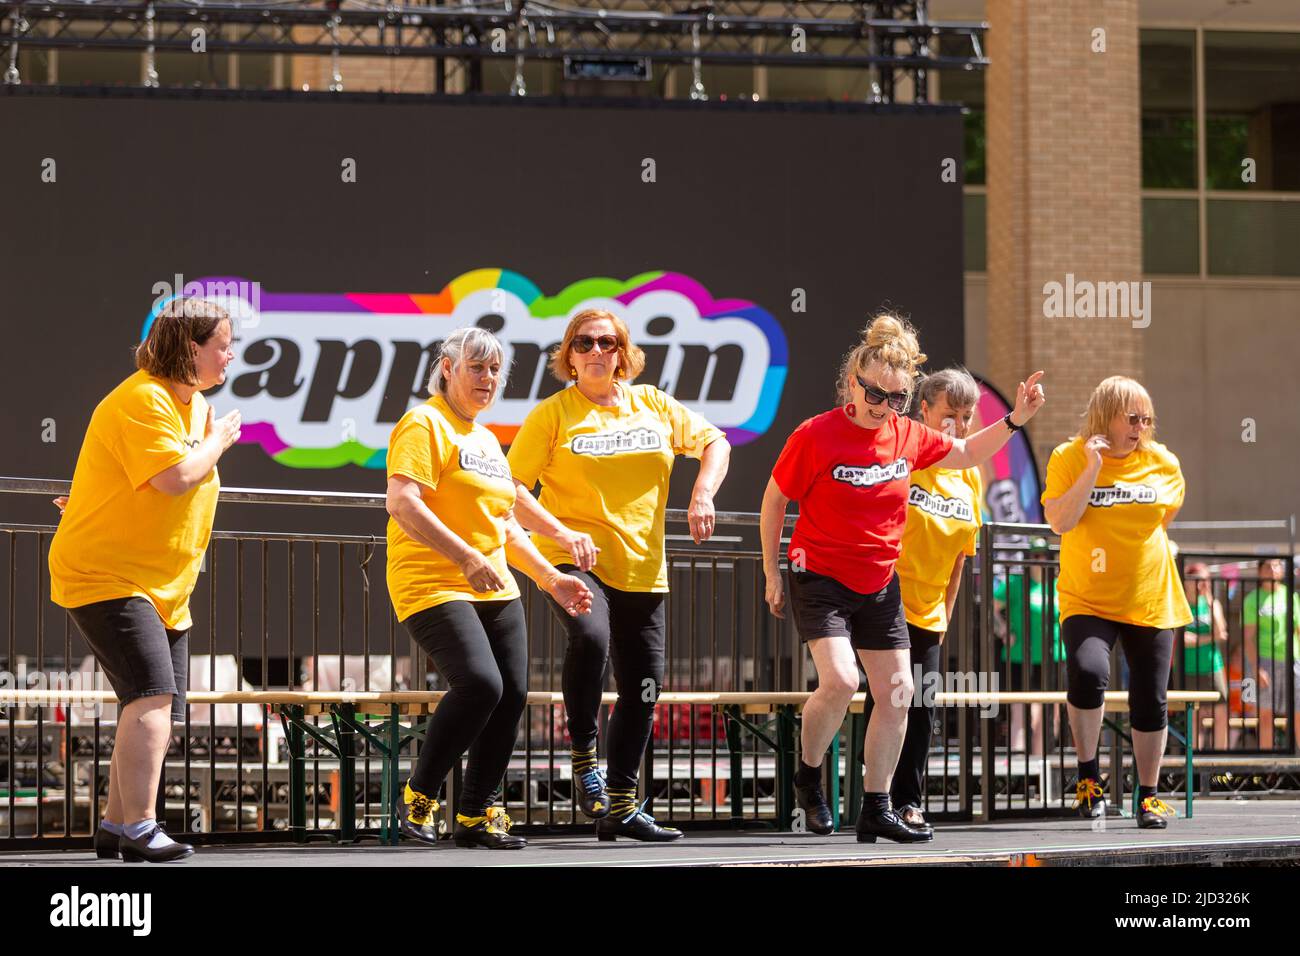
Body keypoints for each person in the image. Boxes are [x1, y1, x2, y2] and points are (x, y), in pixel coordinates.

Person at [761, 313, 1044, 843]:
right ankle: (808, 776)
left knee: (897, 692)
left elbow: (962, 453)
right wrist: (771, 570)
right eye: (873, 394)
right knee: (842, 680)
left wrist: (1014, 421)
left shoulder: (908, 435)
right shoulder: (817, 434)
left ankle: (877, 808)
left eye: (894, 398)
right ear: (853, 382)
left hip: (878, 582)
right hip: (818, 576)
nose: (882, 406)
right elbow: (775, 498)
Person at [507, 308, 731, 842]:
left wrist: (702, 493)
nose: (596, 352)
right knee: (590, 638)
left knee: (644, 688)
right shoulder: (553, 414)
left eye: (607, 342)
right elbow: (511, 488)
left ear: (623, 351)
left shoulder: (651, 403)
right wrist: (562, 535)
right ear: (569, 354)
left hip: (643, 569)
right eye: (583, 343)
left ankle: (623, 808)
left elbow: (715, 442)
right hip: (576, 559)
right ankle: (586, 760)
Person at [48, 298, 242, 863]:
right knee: (151, 696)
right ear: (191, 349)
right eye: (222, 344)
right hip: (107, 575)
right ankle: (140, 828)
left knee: (151, 706)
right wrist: (219, 442)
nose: (230, 355)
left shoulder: (198, 406)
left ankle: (115, 825)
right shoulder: (143, 399)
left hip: (164, 588)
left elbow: (126, 479)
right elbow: (177, 477)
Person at [386, 327, 593, 850]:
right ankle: (418, 795)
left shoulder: (482, 438)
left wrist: (551, 578)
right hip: (433, 581)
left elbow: (503, 524)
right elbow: (403, 503)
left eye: (495, 369)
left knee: (513, 694)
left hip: (493, 584)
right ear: (448, 369)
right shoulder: (424, 422)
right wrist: (465, 555)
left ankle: (476, 813)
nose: (488, 378)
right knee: (481, 684)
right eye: (476, 367)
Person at [1042, 375, 1191, 829]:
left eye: (1147, 419)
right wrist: (1092, 467)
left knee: (1151, 696)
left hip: (1150, 598)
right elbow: (1060, 522)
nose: (1141, 427)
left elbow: (1163, 520)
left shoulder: (1162, 462)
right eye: (1132, 417)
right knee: (1088, 673)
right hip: (1088, 597)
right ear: (1105, 414)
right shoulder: (1069, 456)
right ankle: (1089, 780)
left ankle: (1147, 795)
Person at [862, 367, 984, 832]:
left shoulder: (968, 477)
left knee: (921, 708)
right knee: (888, 701)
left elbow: (958, 559)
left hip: (930, 610)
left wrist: (945, 617)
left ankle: (907, 803)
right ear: (925, 412)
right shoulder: (904, 457)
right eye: (950, 414)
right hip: (882, 599)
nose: (959, 425)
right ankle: (872, 801)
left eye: (968, 416)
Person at [995, 538, 1064, 756]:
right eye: (1034, 556)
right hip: (1019, 657)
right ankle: (1019, 769)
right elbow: (992, 609)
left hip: (1052, 656)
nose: (1039, 560)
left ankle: (1041, 764)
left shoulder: (1059, 585)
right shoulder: (1016, 583)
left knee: (1050, 712)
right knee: (1022, 712)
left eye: (1043, 555)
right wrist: (1003, 629)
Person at [1243, 557, 1299, 750]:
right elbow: (1248, 638)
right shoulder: (1252, 599)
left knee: (1298, 713)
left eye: (1277, 565)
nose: (1273, 570)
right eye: (1268, 566)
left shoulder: (1290, 595)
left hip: (1293, 659)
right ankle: (1266, 766)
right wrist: (1256, 668)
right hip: (1265, 661)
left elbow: (1298, 630)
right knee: (1265, 715)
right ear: (1260, 572)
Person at [1180, 562, 1229, 751]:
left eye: (1206, 580)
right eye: (1198, 580)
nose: (1203, 584)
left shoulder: (1212, 603)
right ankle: (1195, 758)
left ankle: (1221, 760)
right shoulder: (1181, 605)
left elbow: (1221, 633)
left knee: (1221, 712)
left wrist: (1209, 602)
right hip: (1189, 667)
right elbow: (1183, 639)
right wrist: (1209, 638)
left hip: (1212, 666)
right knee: (1194, 717)